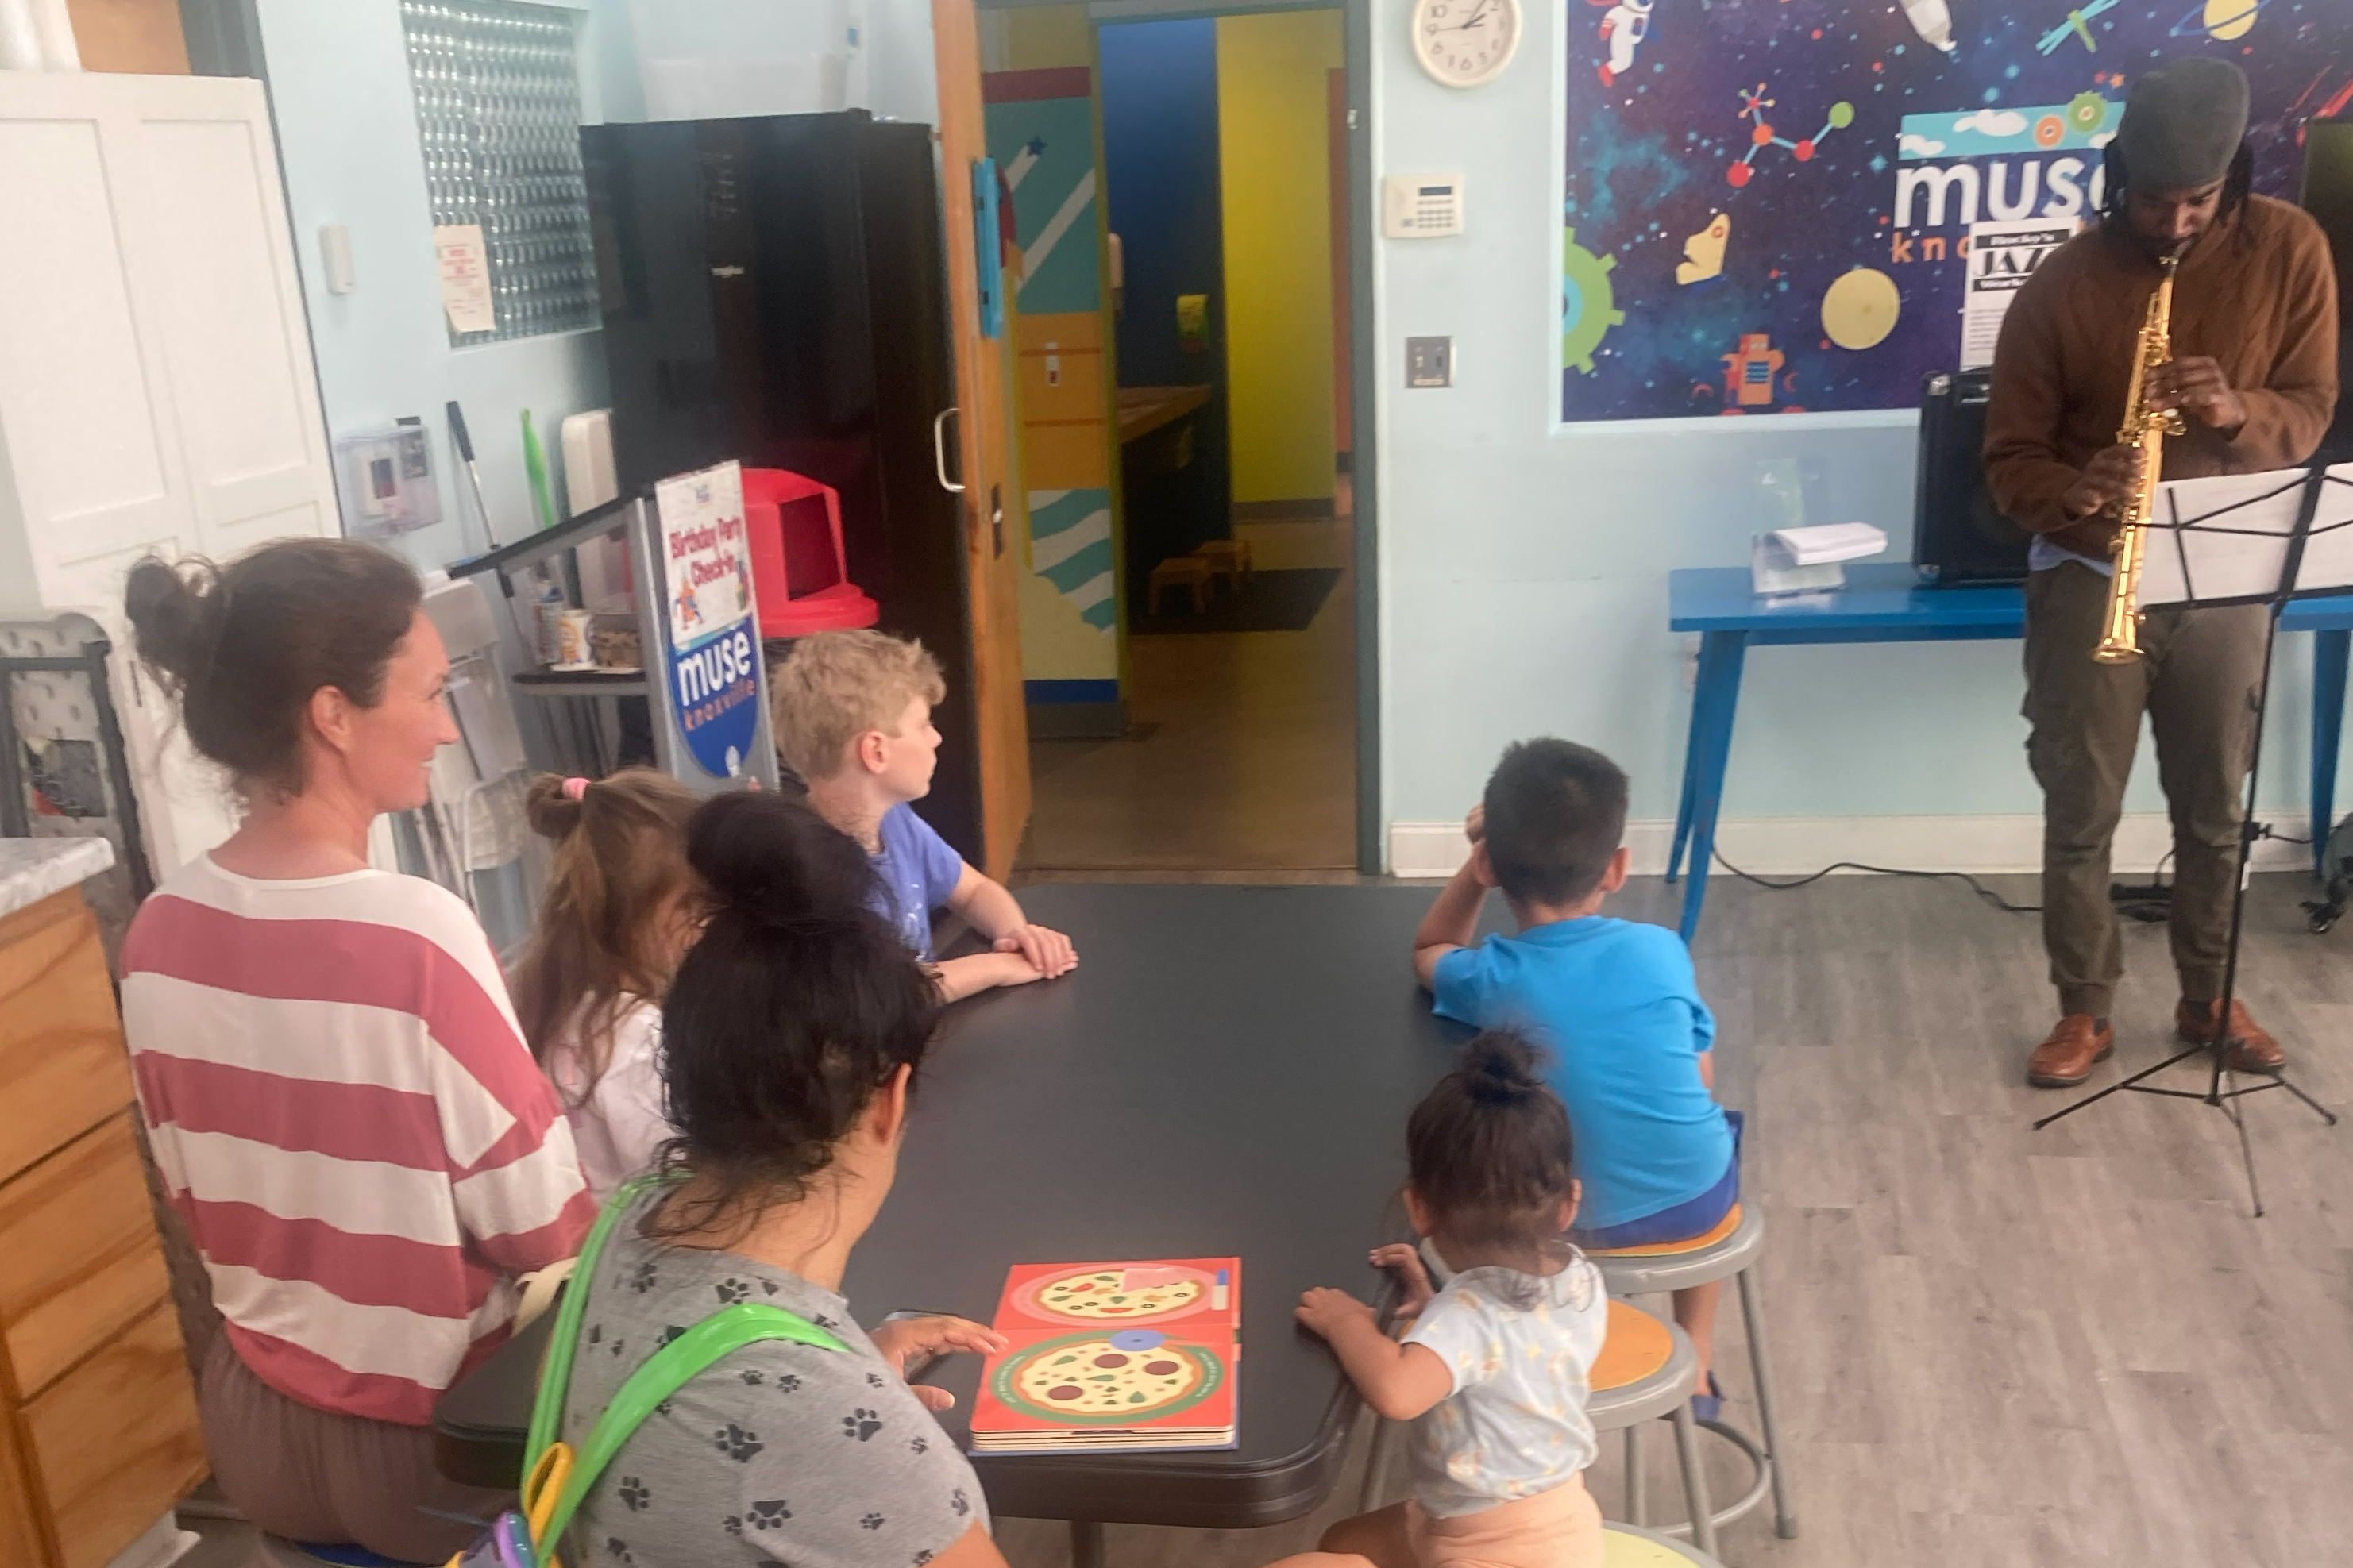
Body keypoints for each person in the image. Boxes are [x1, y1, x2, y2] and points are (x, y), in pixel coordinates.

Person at [116, 541, 595, 1562]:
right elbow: (543, 1225)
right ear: (333, 714)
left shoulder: (156, 932)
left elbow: (193, 1192)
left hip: (254, 1420)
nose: (443, 724)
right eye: (427, 693)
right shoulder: (415, 934)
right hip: (431, 1441)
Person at [1985, 56, 2340, 1088]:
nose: (2175, 221)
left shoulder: (2290, 249)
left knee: (2213, 809)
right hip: (2091, 571)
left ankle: (2205, 992)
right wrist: (2074, 491)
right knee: (2078, 807)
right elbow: (2007, 460)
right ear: (2114, 177)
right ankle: (2082, 1007)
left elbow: (2310, 407)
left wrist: (2235, 415)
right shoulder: (2060, 281)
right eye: (2152, 200)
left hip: (2224, 567)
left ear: (2230, 179)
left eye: (2198, 200)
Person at [558, 788, 1014, 1568]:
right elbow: (776, 1430)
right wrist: (844, 1419)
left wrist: (846, 1384)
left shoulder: (627, 1225)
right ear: (888, 1101)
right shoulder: (825, 1429)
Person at [1410, 738, 1738, 1417]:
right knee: (1713, 1129)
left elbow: (1428, 949)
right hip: (1697, 1207)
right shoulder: (1658, 948)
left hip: (1556, 1223)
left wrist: (1476, 872)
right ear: (1616, 867)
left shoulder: (1494, 975)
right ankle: (1697, 1354)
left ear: (1494, 865)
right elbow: (1700, 1074)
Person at [1272, 1033, 1607, 1568]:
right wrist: (1435, 1305)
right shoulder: (1579, 1281)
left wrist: (1347, 1322)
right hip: (1555, 1524)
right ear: (1568, 1203)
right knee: (1345, 1540)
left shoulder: (1467, 1313)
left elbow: (1398, 1390)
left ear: (1418, 1208)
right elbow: (1508, 1350)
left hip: (1499, 1552)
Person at [770, 630, 1077, 1001]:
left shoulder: (896, 821)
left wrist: (1015, 934)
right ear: (876, 752)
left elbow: (974, 890)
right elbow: (890, 995)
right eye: (923, 725)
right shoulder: (814, 874)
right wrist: (999, 967)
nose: (936, 739)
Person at [511, 769, 704, 1201]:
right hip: (625, 1254)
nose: (704, 925)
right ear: (637, 914)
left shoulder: (547, 998)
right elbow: (680, 1184)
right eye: (693, 905)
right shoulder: (640, 1041)